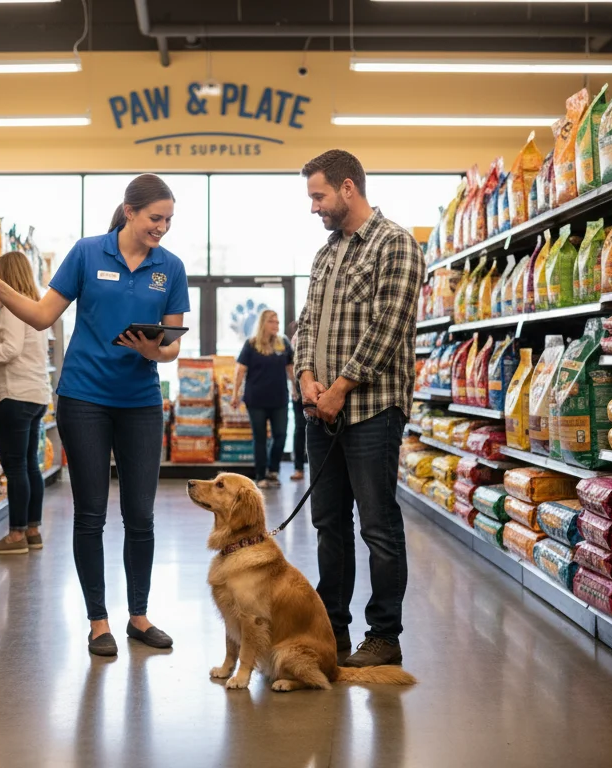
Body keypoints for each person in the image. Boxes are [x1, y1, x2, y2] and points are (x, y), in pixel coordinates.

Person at [0, 174, 190, 658]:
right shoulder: (88, 253)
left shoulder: (169, 268)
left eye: (169, 220)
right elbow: (43, 315)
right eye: (156, 218)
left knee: (141, 516)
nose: (163, 228)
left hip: (140, 403)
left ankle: (138, 616)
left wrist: (155, 350)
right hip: (84, 399)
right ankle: (98, 622)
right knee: (90, 514)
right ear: (129, 211)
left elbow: (173, 347)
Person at [293, 149, 423, 668]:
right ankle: (333, 632)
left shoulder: (395, 244)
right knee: (328, 524)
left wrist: (340, 388)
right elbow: (305, 323)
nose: (314, 207)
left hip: (371, 410)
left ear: (349, 188)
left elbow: (389, 327)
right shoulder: (326, 254)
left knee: (377, 525)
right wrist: (306, 377)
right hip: (318, 412)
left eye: (318, 196)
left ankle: (384, 637)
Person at [0, 252, 52, 556]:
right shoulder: (34, 307)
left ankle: (15, 536)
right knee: (30, 466)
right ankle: (32, 531)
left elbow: (9, 350)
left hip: (14, 395)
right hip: (35, 395)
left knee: (16, 467)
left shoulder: (11, 307)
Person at [229, 309, 294, 489]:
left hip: (279, 399)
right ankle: (260, 475)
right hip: (255, 399)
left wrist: (296, 390)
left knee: (280, 435)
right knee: (260, 439)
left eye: (278, 322)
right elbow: (240, 371)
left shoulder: (284, 344)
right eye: (272, 321)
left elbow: (291, 369)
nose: (276, 325)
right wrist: (235, 394)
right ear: (263, 324)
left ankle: (273, 470)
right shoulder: (251, 344)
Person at [287, 321, 306, 481]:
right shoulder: (298, 337)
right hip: (301, 391)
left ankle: (300, 468)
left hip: (302, 390)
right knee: (301, 429)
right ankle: (299, 467)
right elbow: (292, 366)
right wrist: (294, 388)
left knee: (301, 429)